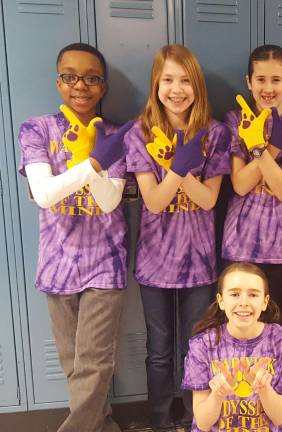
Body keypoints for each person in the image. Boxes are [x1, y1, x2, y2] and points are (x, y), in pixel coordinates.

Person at [18, 42, 132, 432]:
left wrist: (95, 163)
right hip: (57, 263)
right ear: (58, 81)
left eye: (91, 78)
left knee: (95, 363)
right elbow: (45, 195)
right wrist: (92, 163)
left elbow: (107, 202)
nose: (80, 85)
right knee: (74, 366)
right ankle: (102, 427)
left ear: (103, 86)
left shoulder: (116, 134)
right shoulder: (36, 129)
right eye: (70, 76)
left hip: (105, 262)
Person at [124, 44, 230, 432]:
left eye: (185, 80)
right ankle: (159, 420)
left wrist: (180, 167)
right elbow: (152, 201)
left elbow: (209, 199)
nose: (176, 89)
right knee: (159, 349)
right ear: (156, 84)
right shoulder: (140, 132)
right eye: (168, 79)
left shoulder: (215, 133)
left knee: (195, 347)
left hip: (199, 263)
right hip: (154, 260)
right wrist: (179, 166)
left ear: (197, 86)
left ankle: (192, 418)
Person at [221, 44, 282, 327]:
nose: (268, 88)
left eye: (276, 80)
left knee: (274, 330)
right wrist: (272, 147)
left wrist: (260, 149)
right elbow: (239, 184)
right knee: (236, 331)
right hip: (239, 245)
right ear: (249, 82)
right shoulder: (236, 121)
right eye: (260, 79)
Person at [183, 262, 282, 431]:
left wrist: (264, 389)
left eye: (253, 295)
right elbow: (203, 423)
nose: (244, 302)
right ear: (221, 301)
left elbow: (280, 417)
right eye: (235, 294)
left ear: (265, 302)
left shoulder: (280, 340)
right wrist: (217, 395)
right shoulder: (202, 345)